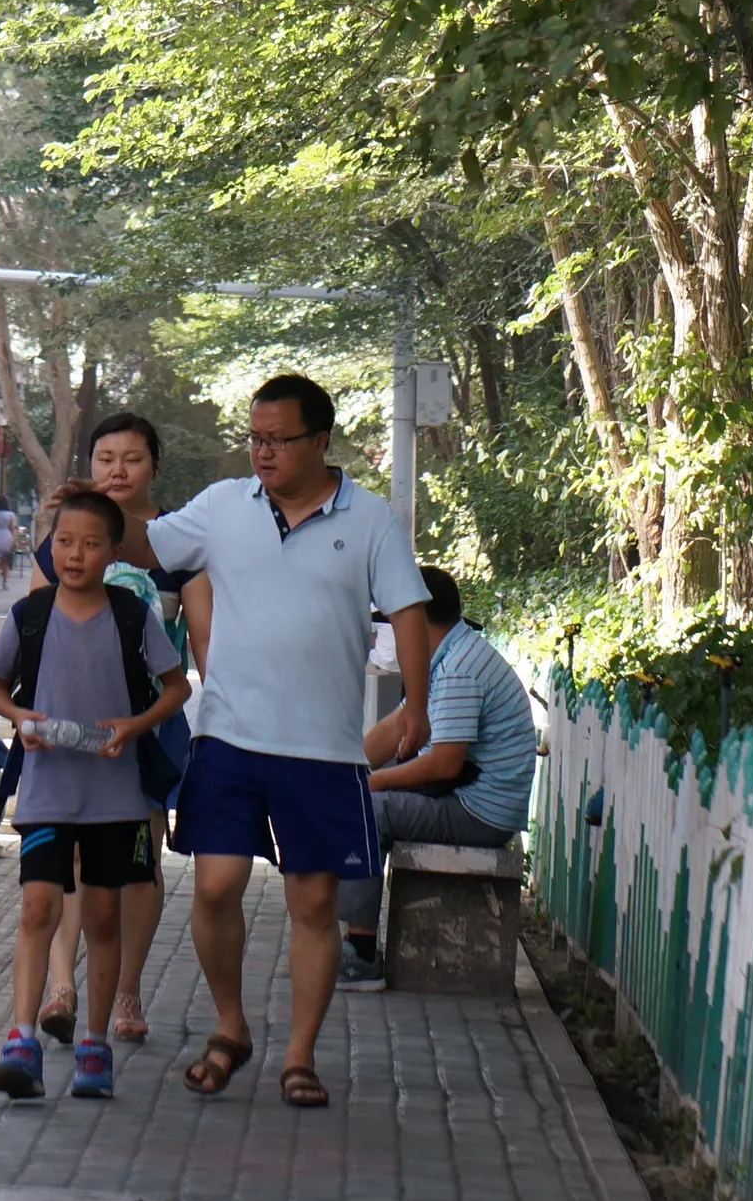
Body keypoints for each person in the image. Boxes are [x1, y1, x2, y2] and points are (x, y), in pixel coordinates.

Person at [124, 373, 432, 1109]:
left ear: (318, 440)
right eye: (254, 438)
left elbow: (409, 610)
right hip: (228, 735)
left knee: (314, 902)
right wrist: (97, 510)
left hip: (322, 748)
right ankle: (231, 1026)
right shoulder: (224, 507)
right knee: (215, 885)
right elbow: (145, 546)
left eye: (277, 440)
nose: (262, 452)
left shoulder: (369, 521)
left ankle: (299, 1056)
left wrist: (417, 702)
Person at [0, 487, 190, 1103]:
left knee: (102, 918)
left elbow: (175, 687)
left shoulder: (131, 614)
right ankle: (21, 1039)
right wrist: (18, 714)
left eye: (90, 544)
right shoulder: (30, 616)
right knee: (37, 908)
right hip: (46, 793)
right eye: (64, 542)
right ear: (49, 547)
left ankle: (94, 1046)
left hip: (116, 800)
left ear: (114, 552)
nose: (75, 554)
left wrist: (135, 725)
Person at [34, 411, 211, 1044]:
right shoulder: (62, 540)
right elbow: (28, 637)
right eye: (105, 458)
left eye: (131, 459)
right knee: (68, 856)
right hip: (63, 727)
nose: (117, 470)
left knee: (138, 862)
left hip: (145, 729)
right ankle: (61, 986)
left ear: (153, 467)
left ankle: (128, 991)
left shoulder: (180, 547)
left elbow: (204, 652)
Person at [337, 564, 538, 990]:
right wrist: (345, 769)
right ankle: (339, 928)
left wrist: (366, 784)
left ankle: (360, 955)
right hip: (468, 796)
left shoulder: (460, 668)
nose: (387, 631)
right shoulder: (448, 656)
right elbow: (397, 728)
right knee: (357, 792)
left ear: (416, 617)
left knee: (367, 809)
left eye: (393, 619)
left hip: (480, 812)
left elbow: (444, 763)